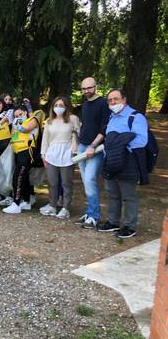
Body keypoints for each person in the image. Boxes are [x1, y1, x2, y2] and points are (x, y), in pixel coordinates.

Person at [97, 89, 148, 239]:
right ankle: (113, 222)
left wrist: (120, 146)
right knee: (112, 193)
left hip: (127, 162)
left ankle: (130, 226)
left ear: (124, 100)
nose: (113, 102)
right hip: (110, 162)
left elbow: (141, 140)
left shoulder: (135, 117)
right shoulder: (112, 118)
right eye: (110, 100)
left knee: (128, 195)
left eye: (116, 99)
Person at [76, 77, 111, 229]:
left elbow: (105, 128)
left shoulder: (103, 103)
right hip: (82, 146)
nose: (86, 91)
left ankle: (94, 216)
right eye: (84, 89)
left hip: (95, 148)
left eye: (89, 88)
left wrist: (92, 145)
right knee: (85, 181)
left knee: (90, 179)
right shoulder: (85, 104)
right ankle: (89, 212)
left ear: (96, 87)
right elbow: (86, 125)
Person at [39, 97, 80, 219]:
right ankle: (52, 205)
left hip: (67, 154)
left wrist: (75, 152)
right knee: (52, 183)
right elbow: (45, 139)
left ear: (67, 106)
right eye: (56, 104)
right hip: (52, 154)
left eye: (61, 105)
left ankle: (65, 207)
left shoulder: (72, 119)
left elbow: (78, 135)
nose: (58, 107)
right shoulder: (49, 121)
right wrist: (43, 154)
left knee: (66, 183)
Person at [2, 105, 39, 214]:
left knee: (17, 177)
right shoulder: (15, 124)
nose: (18, 117)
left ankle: (16, 203)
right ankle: (26, 201)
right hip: (18, 153)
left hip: (27, 152)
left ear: (25, 113)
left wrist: (16, 123)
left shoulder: (32, 119)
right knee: (24, 177)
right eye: (16, 115)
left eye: (20, 114)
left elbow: (26, 129)